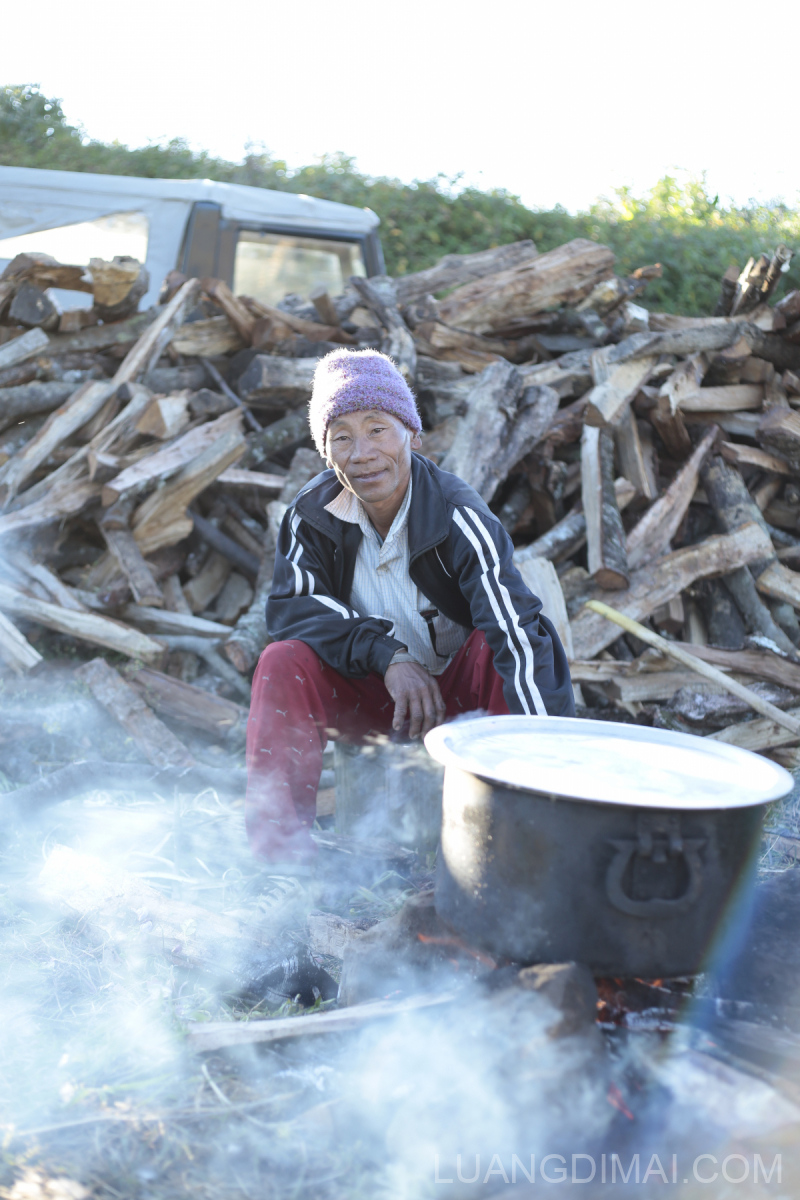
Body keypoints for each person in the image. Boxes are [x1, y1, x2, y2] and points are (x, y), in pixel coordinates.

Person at [246, 347, 574, 862]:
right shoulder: (312, 516)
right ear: (326, 453)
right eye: (342, 437)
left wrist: (544, 772)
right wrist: (389, 657)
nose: (362, 453)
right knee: (282, 661)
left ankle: (515, 854)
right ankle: (279, 858)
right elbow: (294, 609)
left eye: (377, 429)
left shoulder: (456, 516)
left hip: (462, 709)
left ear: (412, 435)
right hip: (377, 700)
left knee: (497, 646)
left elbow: (515, 635)